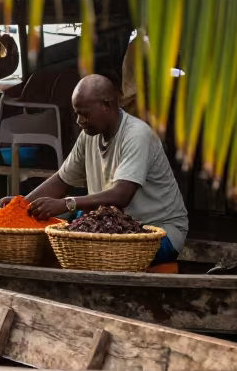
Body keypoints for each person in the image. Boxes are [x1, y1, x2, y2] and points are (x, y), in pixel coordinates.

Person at [13, 74, 189, 265]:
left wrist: (66, 204)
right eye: (76, 113)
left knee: (76, 251)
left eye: (85, 113)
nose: (80, 120)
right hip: (111, 227)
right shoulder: (88, 135)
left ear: (107, 105)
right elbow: (62, 181)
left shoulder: (137, 135)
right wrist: (21, 205)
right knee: (58, 240)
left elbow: (121, 195)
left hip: (157, 233)